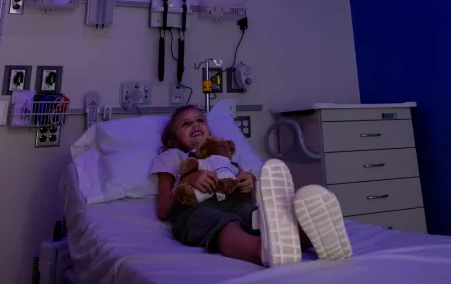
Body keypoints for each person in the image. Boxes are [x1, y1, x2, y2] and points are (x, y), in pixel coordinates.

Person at [150, 105, 352, 267]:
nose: (195, 125)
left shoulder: (224, 155)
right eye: (186, 123)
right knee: (222, 223)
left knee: (256, 215)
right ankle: (260, 250)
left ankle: (311, 235)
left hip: (234, 203)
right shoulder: (171, 156)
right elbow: (163, 209)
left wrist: (249, 182)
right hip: (193, 211)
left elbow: (241, 182)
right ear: (173, 138)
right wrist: (187, 181)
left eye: (200, 121)